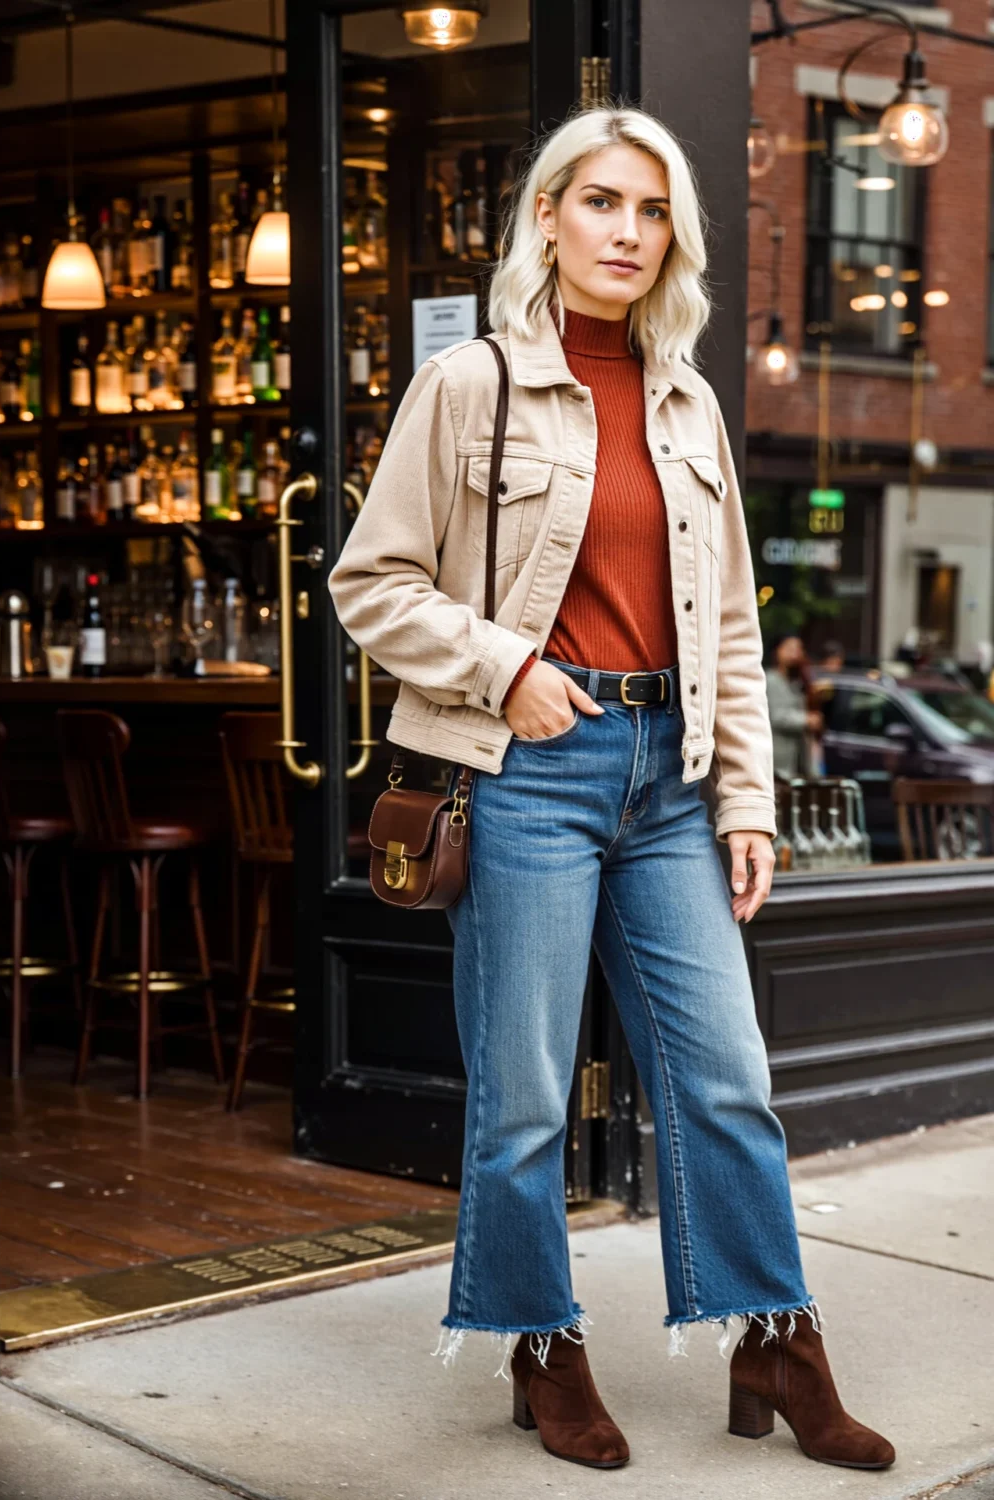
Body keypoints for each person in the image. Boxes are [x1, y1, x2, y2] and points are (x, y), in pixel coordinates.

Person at [327, 104, 893, 1475]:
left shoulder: (689, 401)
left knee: (728, 1079)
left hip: (671, 777)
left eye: (651, 211)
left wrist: (748, 800)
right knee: (525, 1091)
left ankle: (778, 1340)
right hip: (527, 769)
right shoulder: (470, 385)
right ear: (547, 217)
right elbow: (370, 584)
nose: (627, 232)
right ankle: (541, 1345)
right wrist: (508, 666)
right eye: (600, 202)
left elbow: (733, 631)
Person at [766, 633, 823, 780]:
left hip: (797, 761)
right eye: (790, 649)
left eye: (798, 649)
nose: (795, 654)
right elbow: (776, 717)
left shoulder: (797, 681)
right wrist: (807, 720)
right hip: (778, 762)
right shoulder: (771, 680)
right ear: (777, 651)